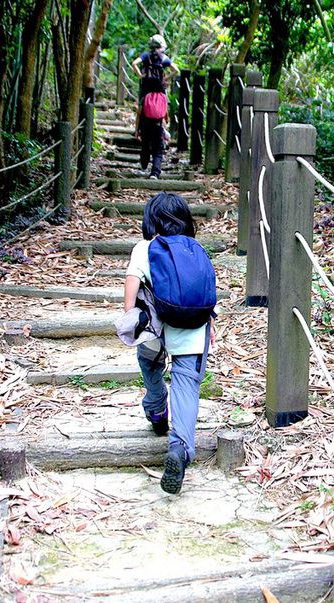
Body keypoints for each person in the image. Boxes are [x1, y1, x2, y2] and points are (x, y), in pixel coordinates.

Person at [123, 194, 216, 494]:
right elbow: (204, 289)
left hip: (154, 328)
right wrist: (209, 325)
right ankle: (180, 448)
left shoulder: (145, 248)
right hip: (192, 326)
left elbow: (132, 281)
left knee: (149, 364)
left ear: (150, 220)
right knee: (187, 385)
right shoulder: (197, 249)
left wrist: (129, 316)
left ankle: (155, 406)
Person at [132, 34, 179, 179]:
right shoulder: (164, 58)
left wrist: (141, 75)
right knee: (161, 117)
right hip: (160, 95)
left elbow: (134, 63)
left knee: (141, 113)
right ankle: (155, 171)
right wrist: (166, 78)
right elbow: (176, 70)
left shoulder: (146, 56)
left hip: (146, 94)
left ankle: (138, 133)